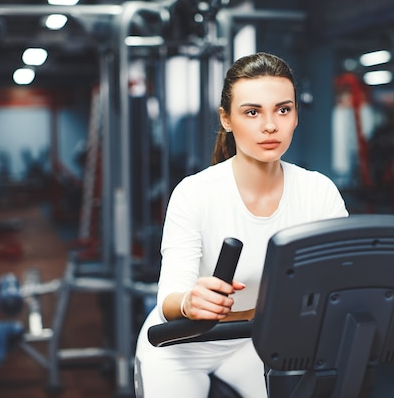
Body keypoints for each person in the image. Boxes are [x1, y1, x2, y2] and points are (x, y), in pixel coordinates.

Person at [134, 52, 349, 398]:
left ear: (295, 117)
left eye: (283, 109)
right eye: (252, 112)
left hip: (257, 341)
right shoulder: (194, 193)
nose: (270, 125)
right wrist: (190, 301)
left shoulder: (318, 192)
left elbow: (340, 285)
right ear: (227, 119)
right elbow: (168, 299)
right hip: (181, 347)